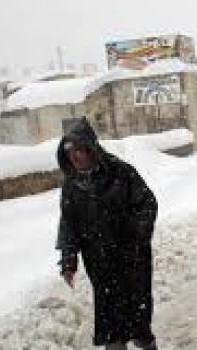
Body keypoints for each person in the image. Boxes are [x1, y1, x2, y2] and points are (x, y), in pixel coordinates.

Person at [56, 117, 158, 350]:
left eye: (79, 149)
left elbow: (148, 204)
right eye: (69, 151)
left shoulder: (121, 173)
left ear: (91, 148)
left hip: (132, 262)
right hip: (100, 266)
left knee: (139, 325)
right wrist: (69, 259)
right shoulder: (72, 186)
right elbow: (68, 223)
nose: (75, 156)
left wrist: (134, 234)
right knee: (111, 329)